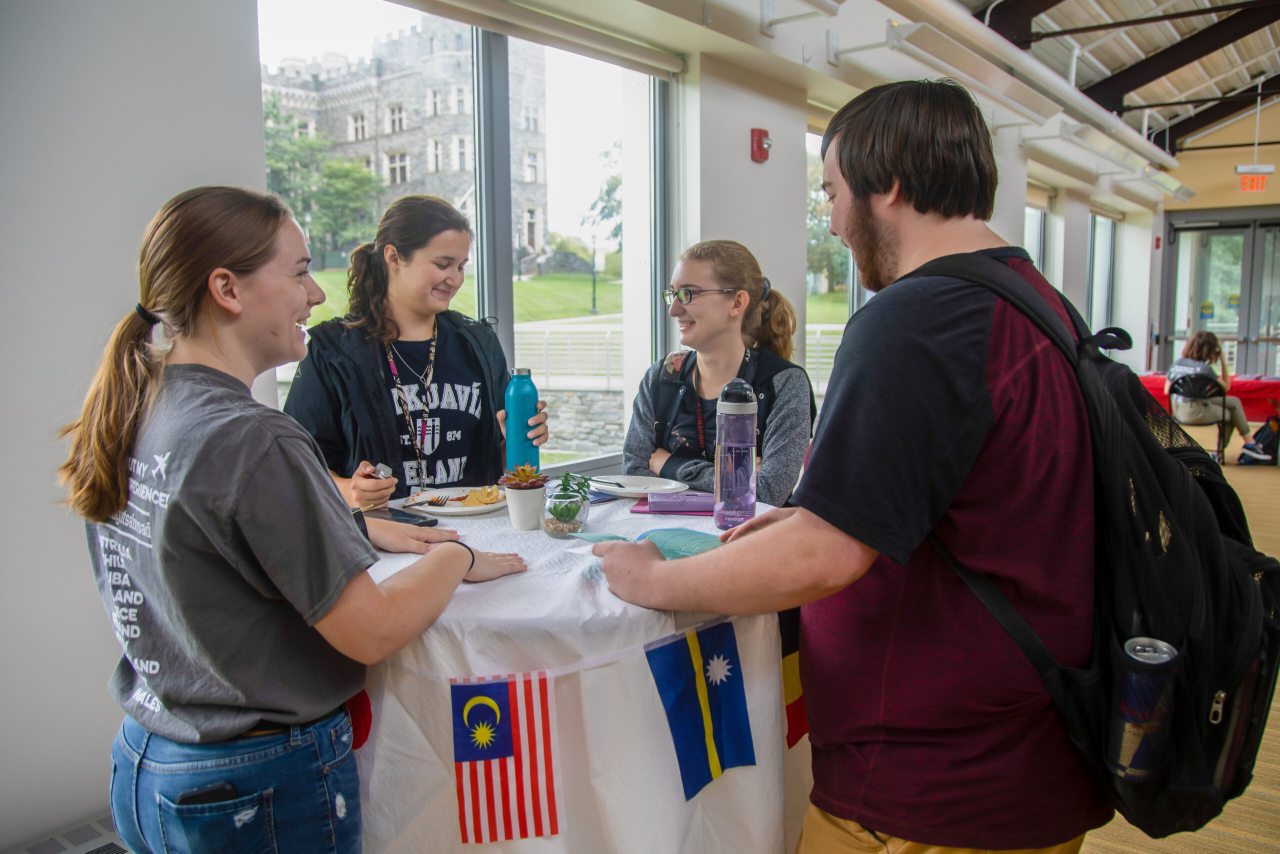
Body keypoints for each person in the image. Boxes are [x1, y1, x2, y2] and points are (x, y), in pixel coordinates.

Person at [594, 80, 1113, 853]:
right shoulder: (1036, 301)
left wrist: (651, 581)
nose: (832, 221)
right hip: (1030, 752)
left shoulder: (916, 319)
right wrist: (814, 512)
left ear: (888, 186)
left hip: (929, 785)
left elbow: (828, 556)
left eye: (833, 192)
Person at [58, 186, 525, 853]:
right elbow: (371, 632)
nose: (318, 295)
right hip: (252, 784)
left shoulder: (140, 403)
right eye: (300, 271)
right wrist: (456, 557)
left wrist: (363, 529)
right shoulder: (255, 437)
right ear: (227, 288)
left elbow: (211, 548)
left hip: (149, 758)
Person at [284, 195, 549, 510]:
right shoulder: (333, 352)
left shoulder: (479, 343)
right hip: (386, 539)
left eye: (461, 266)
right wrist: (349, 489)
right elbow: (298, 465)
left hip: (479, 531)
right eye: (442, 264)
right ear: (394, 257)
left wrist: (520, 440)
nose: (455, 279)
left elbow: (503, 464)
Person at [623, 240, 815, 506]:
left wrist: (668, 465)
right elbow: (634, 474)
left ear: (737, 302)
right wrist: (737, 480)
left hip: (745, 544)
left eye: (688, 294)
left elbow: (768, 494)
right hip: (663, 538)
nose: (673, 310)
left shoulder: (784, 384)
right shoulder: (661, 376)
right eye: (673, 294)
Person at [1164, 330, 1271, 461]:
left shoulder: (1177, 364)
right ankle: (1224, 452)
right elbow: (1225, 387)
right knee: (1230, 413)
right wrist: (1224, 362)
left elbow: (1166, 390)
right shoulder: (1204, 369)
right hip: (1197, 413)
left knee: (1234, 402)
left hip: (1178, 411)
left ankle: (1249, 443)